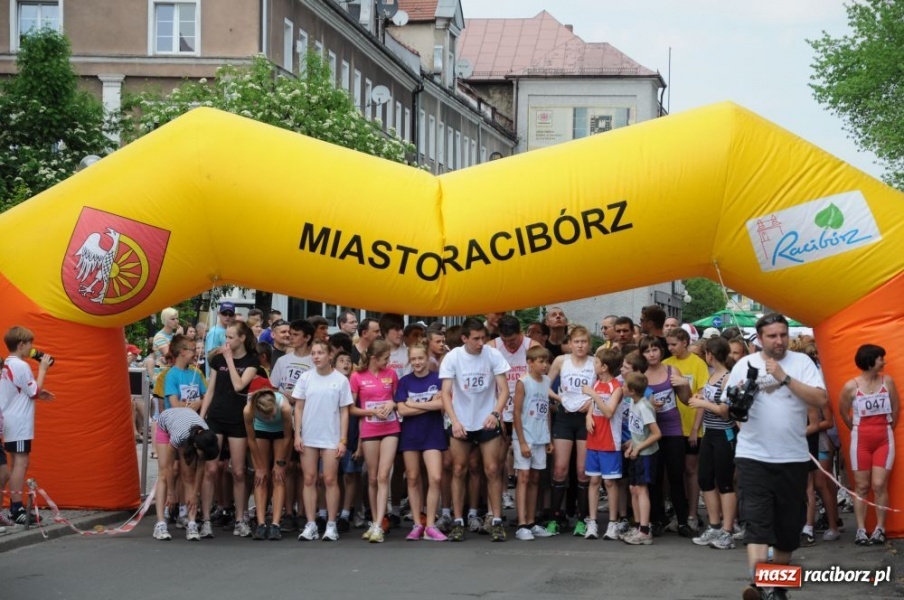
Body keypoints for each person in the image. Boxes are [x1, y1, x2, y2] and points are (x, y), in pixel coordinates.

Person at [732, 314, 827, 600]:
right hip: (753, 457)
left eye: (783, 335)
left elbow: (821, 399)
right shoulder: (744, 364)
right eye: (772, 336)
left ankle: (778, 589)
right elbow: (731, 409)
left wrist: (783, 377)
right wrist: (738, 406)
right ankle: (760, 586)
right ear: (760, 338)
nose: (779, 341)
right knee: (757, 524)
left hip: (792, 457)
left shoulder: (802, 363)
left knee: (787, 529)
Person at [441, 317, 511, 542]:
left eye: (483, 338)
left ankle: (496, 520)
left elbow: (504, 390)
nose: (481, 343)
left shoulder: (493, 355)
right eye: (476, 339)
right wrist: (454, 421)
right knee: (458, 469)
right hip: (461, 421)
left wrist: (496, 413)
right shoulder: (453, 357)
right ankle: (458, 521)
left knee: (492, 469)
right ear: (464, 338)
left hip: (486, 419)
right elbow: (445, 393)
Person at [199, 321, 260, 538]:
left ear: (242, 338)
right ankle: (206, 519)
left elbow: (239, 385)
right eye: (226, 337)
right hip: (216, 416)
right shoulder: (218, 359)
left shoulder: (252, 360)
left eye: (231, 337)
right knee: (211, 469)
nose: (227, 341)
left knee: (239, 471)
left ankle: (240, 518)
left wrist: (229, 361)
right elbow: (210, 390)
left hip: (237, 419)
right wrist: (201, 417)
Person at [839, 343, 899, 546]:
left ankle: (880, 528)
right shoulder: (851, 386)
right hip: (861, 440)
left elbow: (896, 408)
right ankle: (861, 529)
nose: (884, 362)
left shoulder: (887, 381)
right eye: (881, 358)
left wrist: (887, 427)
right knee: (862, 486)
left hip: (884, 438)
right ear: (870, 361)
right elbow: (843, 412)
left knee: (879, 485)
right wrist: (856, 429)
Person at [293, 340, 352, 542]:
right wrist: (297, 434)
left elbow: (344, 412)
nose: (316, 356)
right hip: (309, 435)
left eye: (320, 353)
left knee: (330, 479)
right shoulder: (305, 378)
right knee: (309, 479)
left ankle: (331, 524)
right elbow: (298, 407)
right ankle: (311, 524)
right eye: (314, 353)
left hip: (331, 436)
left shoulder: (341, 380)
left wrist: (343, 440)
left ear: (329, 356)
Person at [547, 325, 599, 534]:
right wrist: (560, 399)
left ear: (589, 344)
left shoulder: (595, 362)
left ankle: (582, 518)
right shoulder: (561, 361)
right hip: (564, 416)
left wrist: (592, 403)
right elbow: (544, 384)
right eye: (576, 342)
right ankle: (555, 517)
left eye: (584, 342)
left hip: (586, 419)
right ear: (569, 343)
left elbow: (604, 388)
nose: (580, 346)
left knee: (582, 471)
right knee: (560, 469)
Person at [0, 326, 54, 525]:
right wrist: (43, 369)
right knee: (21, 462)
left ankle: (15, 507)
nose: (32, 347)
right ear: (21, 345)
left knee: (16, 462)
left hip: (10, 419)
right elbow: (33, 391)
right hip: (19, 421)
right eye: (30, 343)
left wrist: (38, 393)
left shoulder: (7, 364)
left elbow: (23, 390)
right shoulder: (21, 365)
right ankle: (16, 508)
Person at [687, 336, 737, 550]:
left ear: (710, 354)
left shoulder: (727, 378)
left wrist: (702, 403)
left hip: (724, 434)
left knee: (724, 482)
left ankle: (727, 531)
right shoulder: (711, 375)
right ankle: (715, 525)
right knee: (705, 479)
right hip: (710, 433)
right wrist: (702, 400)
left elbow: (726, 412)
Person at [395, 343, 449, 541]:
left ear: (427, 358)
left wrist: (415, 404)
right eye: (413, 359)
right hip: (411, 434)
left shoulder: (438, 379)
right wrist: (429, 404)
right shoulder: (404, 382)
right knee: (412, 478)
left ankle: (431, 525)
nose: (417, 362)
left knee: (435, 477)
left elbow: (443, 404)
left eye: (420, 358)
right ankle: (418, 523)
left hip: (433, 434)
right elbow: (402, 410)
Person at [349, 339, 399, 543]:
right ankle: (374, 519)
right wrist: (371, 412)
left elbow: (398, 399)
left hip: (391, 428)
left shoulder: (391, 374)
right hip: (369, 428)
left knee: (383, 475)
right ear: (373, 358)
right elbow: (351, 408)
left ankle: (379, 524)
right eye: (385, 358)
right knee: (372, 477)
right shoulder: (357, 376)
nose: (388, 362)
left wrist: (392, 403)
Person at [641, 335, 691, 537]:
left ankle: (682, 521)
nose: (651, 354)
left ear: (661, 351)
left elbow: (686, 400)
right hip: (651, 431)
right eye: (647, 351)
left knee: (676, 475)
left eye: (654, 349)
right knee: (654, 477)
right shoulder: (640, 375)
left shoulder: (672, 371)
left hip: (672, 429)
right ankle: (657, 519)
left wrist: (684, 385)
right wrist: (648, 404)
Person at [664, 327, 710, 533]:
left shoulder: (698, 364)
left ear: (684, 343)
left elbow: (701, 397)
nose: (670, 348)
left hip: (691, 425)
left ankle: (692, 513)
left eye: (674, 344)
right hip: (671, 427)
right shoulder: (666, 364)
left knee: (691, 470)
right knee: (674, 472)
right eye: (668, 344)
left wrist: (695, 429)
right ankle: (678, 512)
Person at [152, 407, 219, 540]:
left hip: (187, 428)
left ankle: (192, 523)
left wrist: (194, 494)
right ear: (196, 446)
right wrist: (171, 493)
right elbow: (169, 467)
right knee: (164, 474)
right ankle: (160, 524)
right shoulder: (180, 436)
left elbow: (200, 470)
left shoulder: (206, 435)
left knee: (188, 476)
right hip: (167, 424)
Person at [512, 346, 554, 541]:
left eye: (546, 361)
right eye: (540, 361)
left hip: (540, 437)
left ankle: (531, 521)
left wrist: (549, 437)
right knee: (523, 477)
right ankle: (521, 524)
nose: (544, 365)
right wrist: (521, 442)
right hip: (525, 437)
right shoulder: (523, 382)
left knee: (536, 478)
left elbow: (545, 411)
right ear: (530, 363)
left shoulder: (546, 382)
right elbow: (516, 412)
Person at [243, 386, 293, 541]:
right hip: (261, 431)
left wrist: (280, 463)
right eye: (267, 417)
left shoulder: (284, 407)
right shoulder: (248, 410)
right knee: (261, 477)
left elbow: (288, 437)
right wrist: (259, 467)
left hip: (281, 434)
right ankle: (261, 523)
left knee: (279, 476)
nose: (270, 419)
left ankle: (276, 524)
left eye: (272, 415)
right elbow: (251, 440)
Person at [622, 372, 661, 545]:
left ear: (631, 391)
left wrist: (638, 448)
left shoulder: (644, 407)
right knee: (633, 488)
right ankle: (638, 526)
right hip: (636, 452)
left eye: (624, 386)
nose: (621, 387)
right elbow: (637, 431)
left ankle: (645, 531)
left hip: (646, 454)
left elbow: (656, 434)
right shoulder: (633, 402)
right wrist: (632, 446)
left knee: (642, 489)